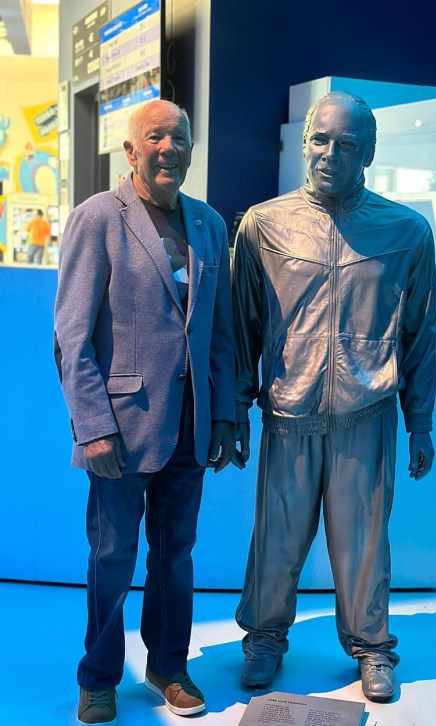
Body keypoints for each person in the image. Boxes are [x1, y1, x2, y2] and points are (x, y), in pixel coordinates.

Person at [231, 91, 436, 702]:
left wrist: (420, 421)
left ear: (368, 153)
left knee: (364, 542)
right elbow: (242, 327)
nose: (329, 153)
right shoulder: (264, 225)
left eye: (346, 144)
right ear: (304, 143)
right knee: (276, 537)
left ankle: (372, 646)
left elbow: (421, 331)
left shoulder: (405, 231)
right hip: (288, 408)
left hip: (366, 412)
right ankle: (264, 638)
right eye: (320, 139)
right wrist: (233, 410)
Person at [54, 99, 236, 726]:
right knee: (112, 559)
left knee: (176, 556)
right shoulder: (98, 218)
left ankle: (168, 667)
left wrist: (224, 416)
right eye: (155, 137)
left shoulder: (209, 224)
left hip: (190, 426)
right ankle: (99, 677)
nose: (169, 148)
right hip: (121, 429)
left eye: (179, 138)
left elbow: (219, 333)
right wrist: (93, 428)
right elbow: (71, 338)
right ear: (130, 152)